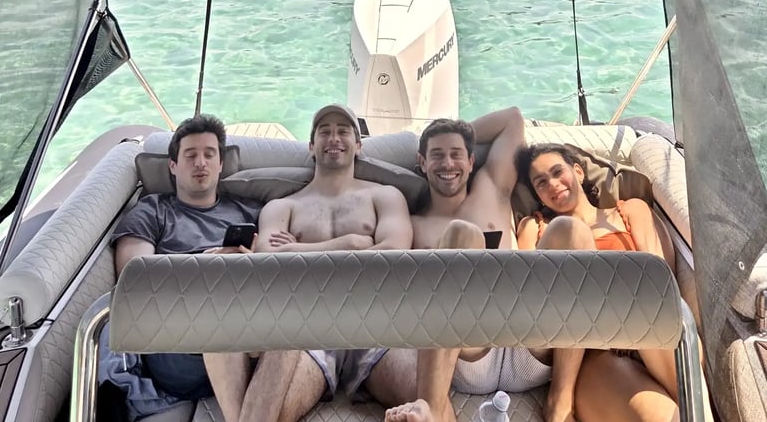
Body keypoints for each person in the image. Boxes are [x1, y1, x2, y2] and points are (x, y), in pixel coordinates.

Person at [204, 103, 415, 422]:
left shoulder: (385, 196)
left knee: (427, 397)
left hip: (375, 322)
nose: (334, 138)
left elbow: (394, 255)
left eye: (343, 131)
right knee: (271, 409)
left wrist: (298, 248)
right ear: (311, 146)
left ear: (358, 145)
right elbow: (267, 263)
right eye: (324, 132)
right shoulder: (282, 206)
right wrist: (351, 243)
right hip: (307, 329)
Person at [390, 108, 552, 422]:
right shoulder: (412, 225)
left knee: (566, 231)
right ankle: (430, 407)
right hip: (468, 352)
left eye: (456, 155)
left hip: (527, 340)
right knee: (461, 234)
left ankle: (562, 398)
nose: (448, 164)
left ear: (471, 161)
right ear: (421, 162)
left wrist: (456, 132)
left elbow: (512, 119)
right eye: (437, 155)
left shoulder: (491, 188)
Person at [514, 142, 679, 422]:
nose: (553, 184)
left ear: (578, 172)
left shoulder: (629, 211)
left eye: (558, 172)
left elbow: (660, 281)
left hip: (648, 330)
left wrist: (624, 322)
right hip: (591, 355)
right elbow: (528, 299)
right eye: (541, 182)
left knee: (694, 407)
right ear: (537, 195)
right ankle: (561, 398)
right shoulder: (537, 227)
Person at [106, 113, 263, 407]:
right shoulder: (151, 211)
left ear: (220, 164)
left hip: (248, 325)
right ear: (173, 166)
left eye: (209, 154)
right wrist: (207, 264)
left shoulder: (250, 212)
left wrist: (252, 261)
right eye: (190, 155)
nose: (200, 162)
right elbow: (134, 280)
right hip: (179, 345)